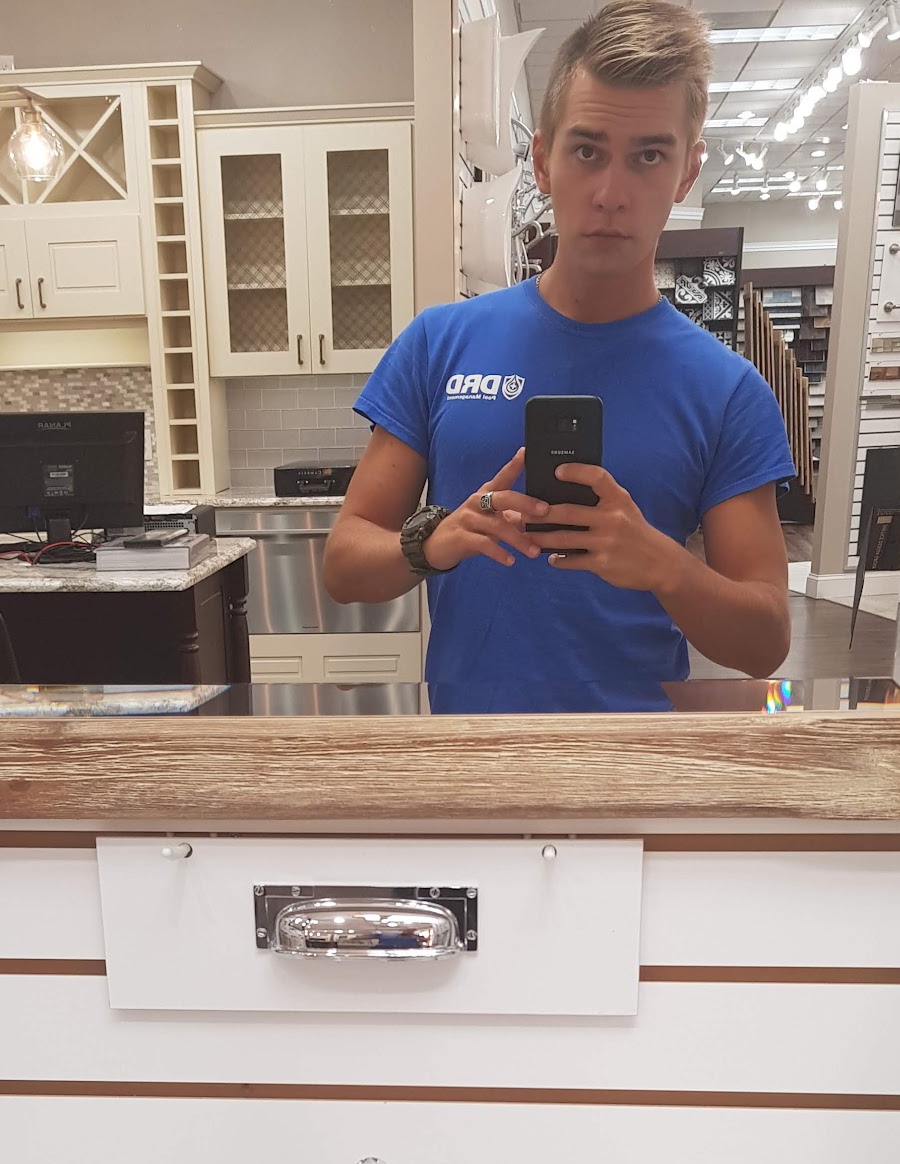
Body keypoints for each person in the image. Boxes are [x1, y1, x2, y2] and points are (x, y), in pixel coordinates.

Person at [322, 0, 796, 713]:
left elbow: (766, 643)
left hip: (635, 762)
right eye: (587, 151)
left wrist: (664, 566)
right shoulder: (438, 344)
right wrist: (433, 541)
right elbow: (344, 564)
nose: (611, 194)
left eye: (649, 156)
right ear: (542, 162)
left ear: (687, 173)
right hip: (474, 757)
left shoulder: (729, 391)